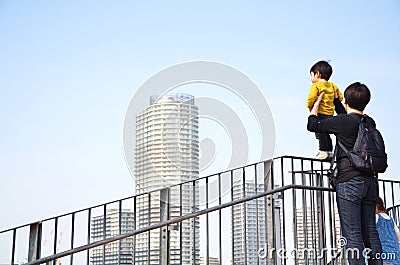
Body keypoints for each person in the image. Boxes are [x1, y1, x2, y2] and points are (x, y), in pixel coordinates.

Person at [307, 82, 383, 265]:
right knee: (370, 232)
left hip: (349, 181)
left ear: (346, 100)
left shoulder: (344, 122)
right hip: (370, 182)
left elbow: (313, 124)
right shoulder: (370, 122)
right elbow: (347, 117)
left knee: (353, 234)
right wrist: (338, 102)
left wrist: (316, 104)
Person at [306, 60, 343, 160]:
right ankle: (329, 152)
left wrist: (309, 106)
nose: (311, 78)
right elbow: (340, 97)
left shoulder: (316, 86)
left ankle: (323, 151)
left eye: (311, 75)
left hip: (320, 113)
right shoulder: (333, 86)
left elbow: (311, 97)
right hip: (330, 114)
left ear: (317, 74)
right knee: (326, 133)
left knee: (320, 133)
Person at [376, 197, 400, 265]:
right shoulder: (391, 220)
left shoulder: (376, 217)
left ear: (377, 206)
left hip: (382, 253)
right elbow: (398, 237)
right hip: (395, 255)